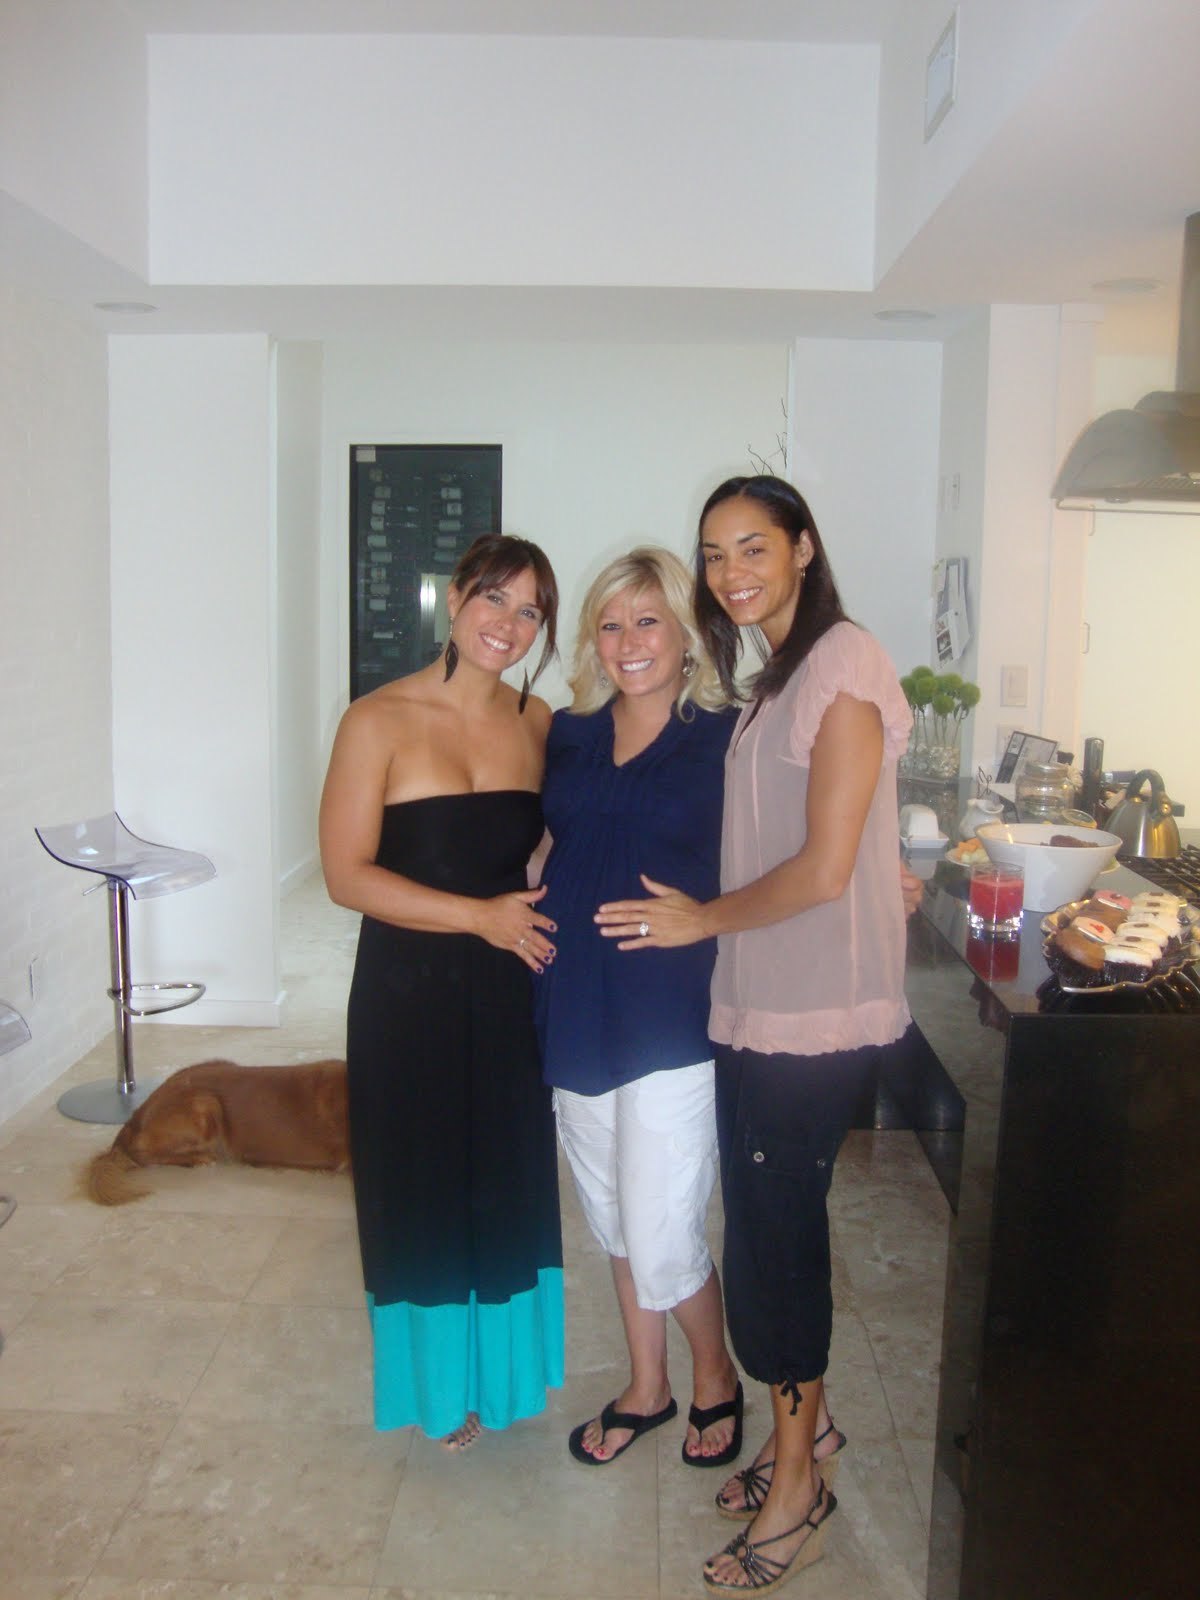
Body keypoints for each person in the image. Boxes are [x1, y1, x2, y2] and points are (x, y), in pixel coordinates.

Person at [595, 476, 913, 1595]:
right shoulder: (776, 674)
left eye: (753, 547)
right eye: (715, 552)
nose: (731, 572)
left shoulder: (844, 663)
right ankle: (805, 1434)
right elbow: (825, 835)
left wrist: (703, 919)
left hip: (812, 1010)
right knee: (763, 1232)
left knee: (777, 1247)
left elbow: (823, 867)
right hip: (759, 999)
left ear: (803, 548)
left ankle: (797, 1493)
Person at [319, 533, 565, 1451]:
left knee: (501, 1180)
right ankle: (438, 1386)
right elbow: (346, 875)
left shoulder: (539, 722)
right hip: (406, 990)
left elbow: (549, 844)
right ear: (455, 598)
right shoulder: (376, 720)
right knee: (418, 1182)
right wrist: (477, 917)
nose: (509, 623)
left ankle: (503, 1375)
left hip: (508, 988)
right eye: (495, 598)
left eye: (530, 610)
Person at [534, 548, 745, 1468]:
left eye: (648, 620)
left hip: (671, 1013)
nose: (628, 642)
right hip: (572, 1000)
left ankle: (716, 1376)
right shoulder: (569, 732)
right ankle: (648, 1386)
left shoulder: (728, 737)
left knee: (662, 1233)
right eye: (611, 624)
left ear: (686, 634)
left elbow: (792, 845)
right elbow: (550, 838)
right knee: (615, 1215)